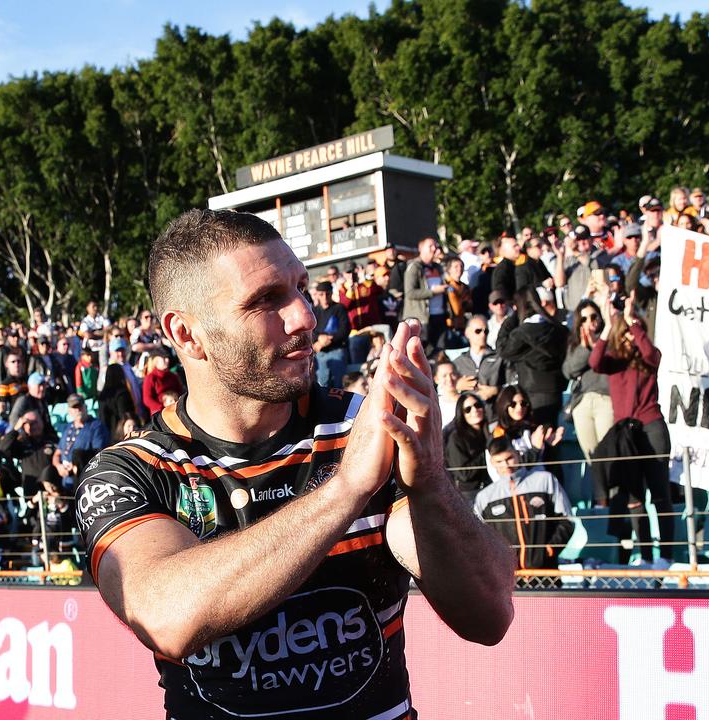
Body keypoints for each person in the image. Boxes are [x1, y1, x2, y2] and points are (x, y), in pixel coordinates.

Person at [74, 209, 514, 719]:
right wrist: (347, 489)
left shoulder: (362, 426)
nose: (305, 316)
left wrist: (431, 485)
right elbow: (166, 617)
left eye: (301, 288)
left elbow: (489, 616)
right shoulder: (133, 471)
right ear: (187, 334)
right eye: (265, 300)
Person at [589, 294, 673, 565]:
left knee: (660, 494)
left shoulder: (649, 357)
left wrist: (632, 321)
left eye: (631, 331)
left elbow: (650, 353)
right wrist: (608, 326)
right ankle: (647, 557)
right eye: (623, 332)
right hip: (625, 435)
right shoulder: (614, 362)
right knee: (635, 499)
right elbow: (594, 362)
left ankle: (668, 556)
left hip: (651, 428)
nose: (627, 336)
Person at [474, 438, 575, 571]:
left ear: (518, 454)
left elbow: (567, 521)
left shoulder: (544, 480)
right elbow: (477, 537)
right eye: (499, 461)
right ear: (492, 462)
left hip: (545, 573)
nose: (506, 465)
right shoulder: (484, 497)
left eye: (510, 458)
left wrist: (548, 550)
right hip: (508, 576)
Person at [498, 286, 569, 426]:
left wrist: (513, 317)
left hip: (531, 390)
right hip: (554, 389)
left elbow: (502, 349)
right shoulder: (559, 329)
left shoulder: (521, 333)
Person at [563, 299, 613, 461]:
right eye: (584, 319)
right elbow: (569, 370)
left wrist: (597, 345)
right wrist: (585, 348)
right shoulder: (576, 344)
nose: (590, 322)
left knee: (608, 455)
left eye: (593, 316)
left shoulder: (609, 339)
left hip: (606, 399)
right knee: (592, 458)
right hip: (582, 403)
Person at [54, 394, 111, 490]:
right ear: (69, 411)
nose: (78, 410)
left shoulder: (96, 426)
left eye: (80, 406)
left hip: (84, 481)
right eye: (74, 407)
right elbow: (57, 453)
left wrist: (76, 463)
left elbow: (99, 453)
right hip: (65, 481)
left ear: (85, 406)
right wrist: (58, 466)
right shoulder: (68, 427)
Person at [403, 236, 449, 352]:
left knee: (440, 351)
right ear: (421, 248)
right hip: (422, 318)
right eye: (430, 246)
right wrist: (433, 292)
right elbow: (410, 293)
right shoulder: (414, 267)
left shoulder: (438, 267)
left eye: (435, 246)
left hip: (440, 315)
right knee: (425, 352)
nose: (434, 249)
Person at [445, 392, 491, 506]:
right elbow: (463, 474)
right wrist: (487, 454)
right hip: (470, 494)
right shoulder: (456, 437)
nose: (474, 410)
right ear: (462, 413)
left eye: (477, 405)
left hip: (492, 488)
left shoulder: (490, 431)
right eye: (468, 409)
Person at [140, 346, 184, 417]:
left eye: (167, 358)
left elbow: (180, 392)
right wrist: (161, 408)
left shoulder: (173, 376)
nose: (167, 360)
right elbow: (147, 399)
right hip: (160, 414)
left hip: (176, 410)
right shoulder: (150, 378)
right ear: (156, 360)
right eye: (163, 358)